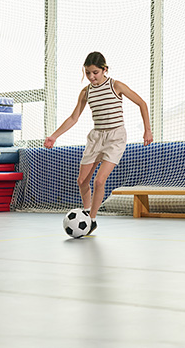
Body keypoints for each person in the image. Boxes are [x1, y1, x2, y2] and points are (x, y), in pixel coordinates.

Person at [44, 51, 153, 236]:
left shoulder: (115, 85)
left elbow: (142, 103)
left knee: (99, 180)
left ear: (104, 70)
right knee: (82, 182)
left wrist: (147, 130)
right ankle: (86, 211)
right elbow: (73, 117)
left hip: (115, 137)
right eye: (88, 73)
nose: (91, 77)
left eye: (95, 72)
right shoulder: (86, 92)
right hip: (96, 138)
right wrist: (54, 136)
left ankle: (91, 220)